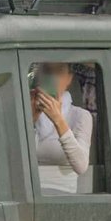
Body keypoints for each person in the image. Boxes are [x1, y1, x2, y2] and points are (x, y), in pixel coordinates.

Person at [30, 62, 93, 193]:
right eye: (47, 71)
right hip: (26, 192)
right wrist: (31, 119)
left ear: (69, 78)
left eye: (59, 71)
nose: (53, 77)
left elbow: (81, 166)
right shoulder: (27, 111)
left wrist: (58, 120)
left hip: (61, 194)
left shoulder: (80, 116)